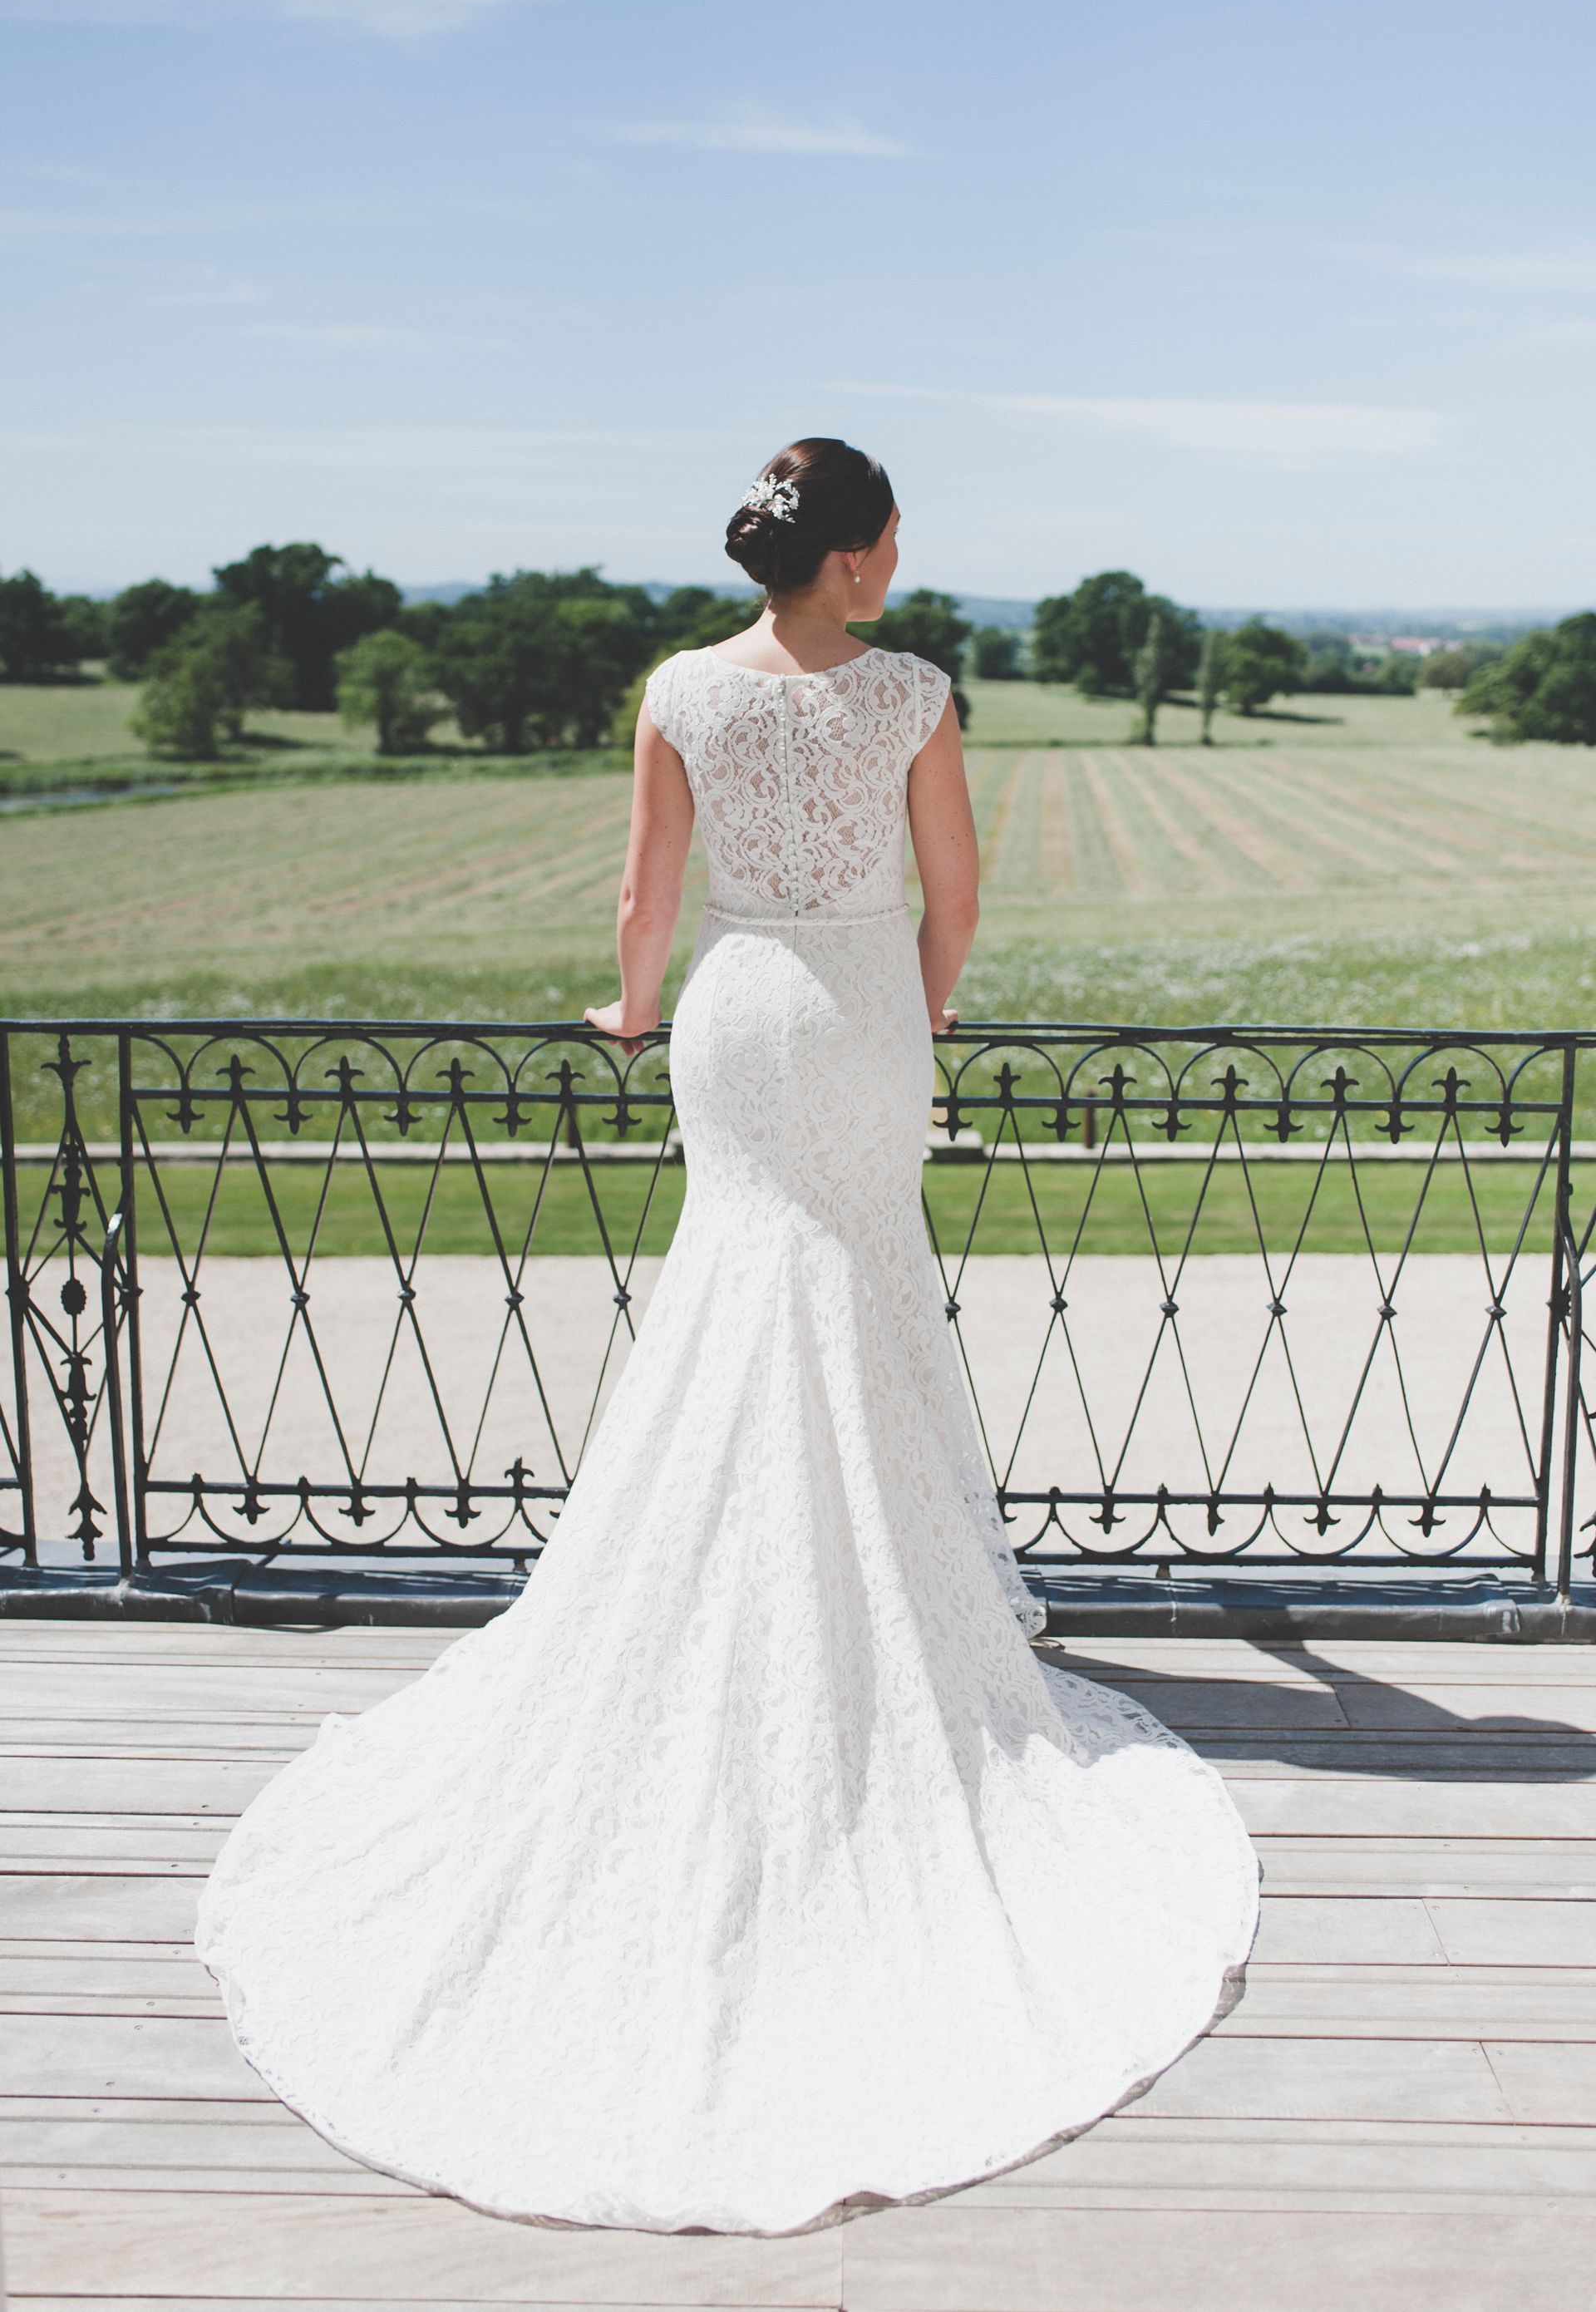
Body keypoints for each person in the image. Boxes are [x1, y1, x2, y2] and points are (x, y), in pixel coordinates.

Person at [194, 438, 1258, 2237]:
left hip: (731, 1013)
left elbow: (645, 900)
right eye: (894, 537)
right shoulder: (913, 693)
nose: (904, 559)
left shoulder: (679, 688)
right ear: (849, 560)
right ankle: (875, 1619)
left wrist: (624, 1004)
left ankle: (717, 1595)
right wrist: (907, 1040)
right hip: (851, 1013)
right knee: (850, 1302)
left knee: (736, 1304)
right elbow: (957, 902)